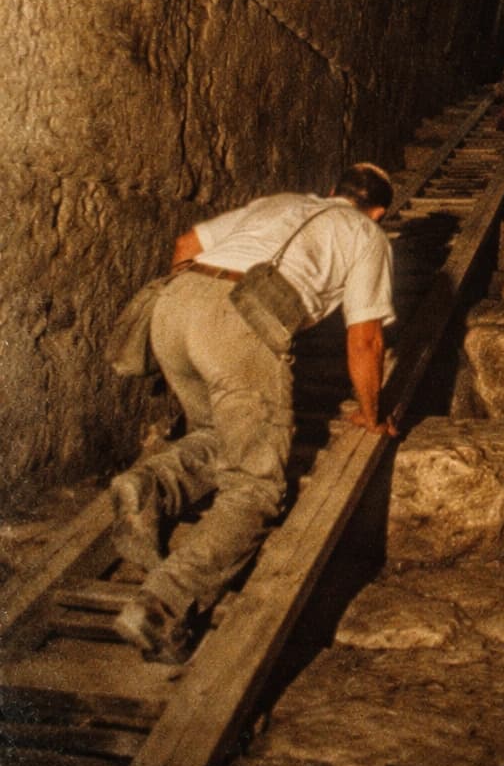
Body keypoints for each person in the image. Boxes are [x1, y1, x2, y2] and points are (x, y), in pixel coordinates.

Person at [109, 162, 398, 664]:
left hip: (175, 304)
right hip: (240, 318)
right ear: (377, 212)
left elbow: (185, 244)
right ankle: (161, 605)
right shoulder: (366, 234)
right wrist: (371, 416)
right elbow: (365, 338)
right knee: (255, 488)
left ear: (332, 190)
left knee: (216, 433)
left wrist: (199, 312)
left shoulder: (279, 201)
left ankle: (149, 485)